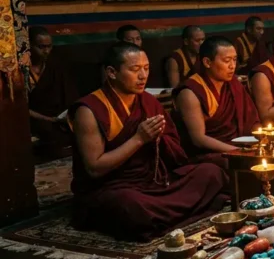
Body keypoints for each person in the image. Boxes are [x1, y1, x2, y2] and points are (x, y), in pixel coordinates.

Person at [70, 42, 229, 241]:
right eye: (135, 69)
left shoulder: (147, 101)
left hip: (154, 180)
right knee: (131, 207)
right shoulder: (89, 110)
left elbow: (174, 149)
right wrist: (139, 139)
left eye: (146, 68)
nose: (143, 76)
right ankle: (174, 212)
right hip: (115, 187)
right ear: (112, 72)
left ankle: (165, 213)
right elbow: (94, 168)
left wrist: (160, 139)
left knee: (211, 173)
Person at [173, 37, 260, 166]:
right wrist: (237, 151)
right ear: (207, 62)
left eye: (235, 60)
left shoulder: (233, 85)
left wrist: (265, 139)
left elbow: (252, 121)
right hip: (206, 155)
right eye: (226, 61)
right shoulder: (190, 92)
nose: (232, 66)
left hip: (240, 146)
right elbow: (198, 139)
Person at [28, 26, 77, 153]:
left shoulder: (55, 66)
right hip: (34, 117)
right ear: (29, 46)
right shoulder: (20, 71)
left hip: (57, 115)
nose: (46, 51)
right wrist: (48, 119)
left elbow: (69, 94)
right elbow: (20, 106)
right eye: (41, 47)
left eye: (49, 46)